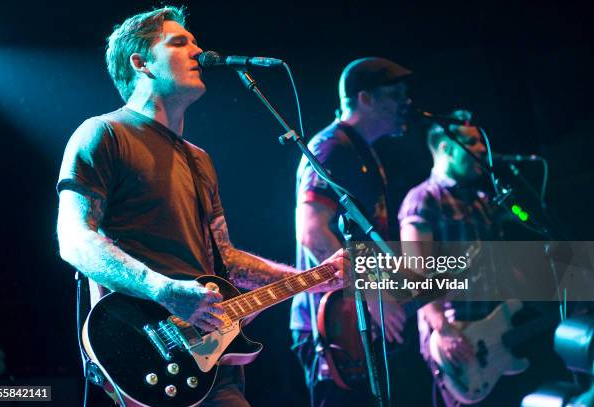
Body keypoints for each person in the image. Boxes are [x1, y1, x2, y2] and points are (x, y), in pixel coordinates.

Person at [55, 6, 347, 406]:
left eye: (195, 43)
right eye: (180, 43)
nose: (199, 51)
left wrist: (316, 276)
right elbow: (74, 239)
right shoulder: (104, 133)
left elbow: (225, 258)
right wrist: (164, 291)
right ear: (140, 63)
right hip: (142, 355)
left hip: (213, 363)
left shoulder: (199, 159)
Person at [398, 110, 565, 406]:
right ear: (447, 148)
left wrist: (550, 302)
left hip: (496, 329)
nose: (482, 150)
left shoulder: (481, 200)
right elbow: (415, 270)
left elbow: (501, 267)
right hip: (456, 334)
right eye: (473, 143)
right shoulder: (424, 198)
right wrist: (442, 328)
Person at [290, 57, 431, 406]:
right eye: (395, 94)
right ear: (365, 98)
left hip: (361, 321)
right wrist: (370, 292)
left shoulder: (362, 152)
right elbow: (312, 232)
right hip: (334, 325)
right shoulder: (331, 147)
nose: (406, 103)